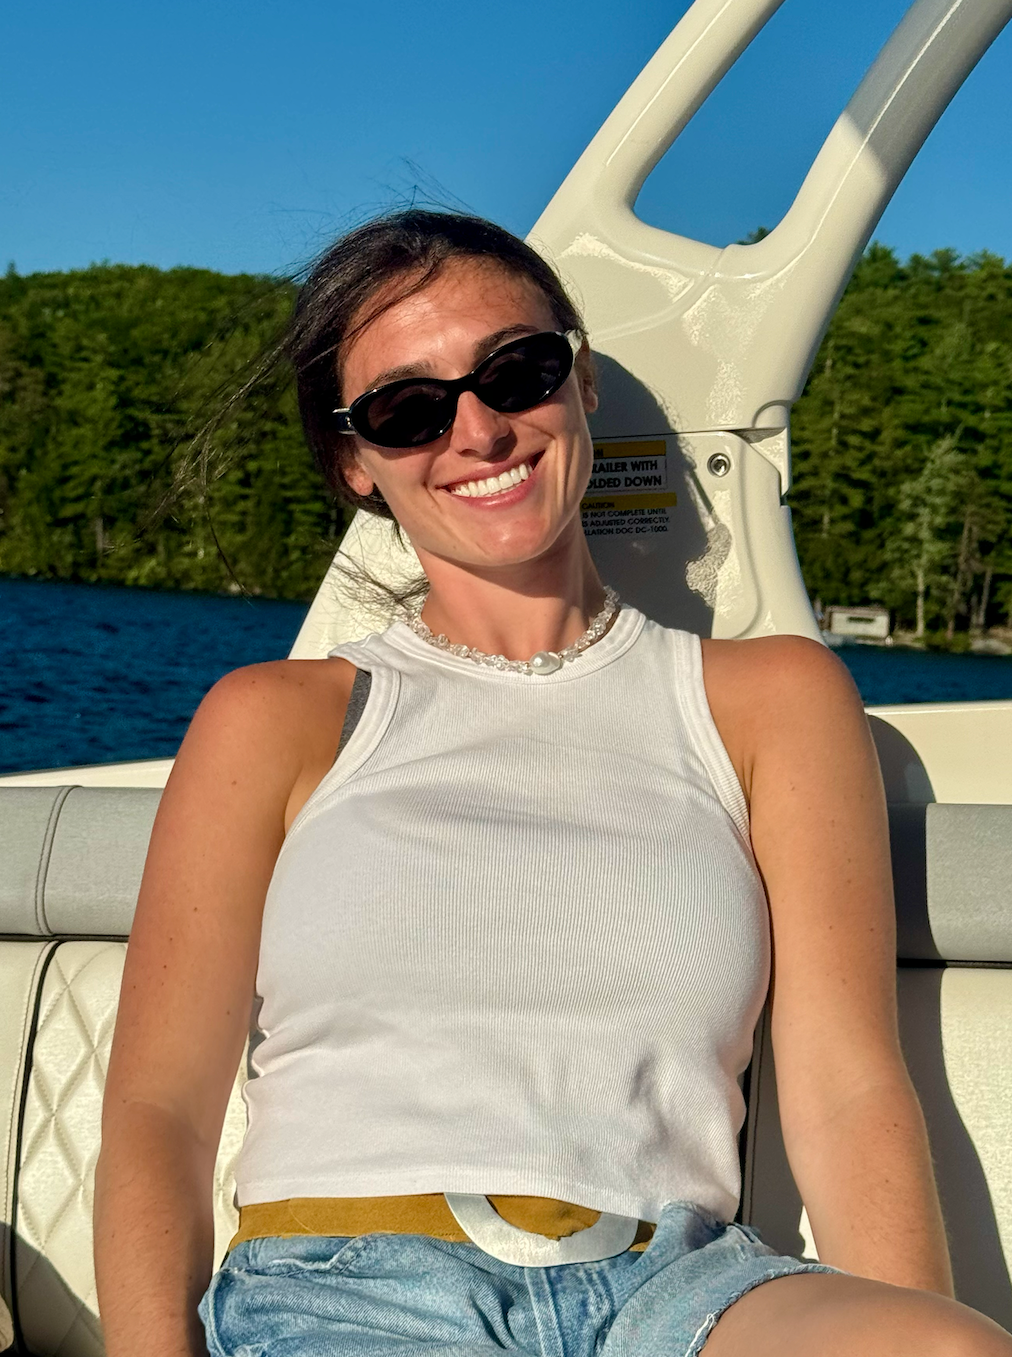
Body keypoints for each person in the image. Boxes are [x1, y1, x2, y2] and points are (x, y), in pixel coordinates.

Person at [93, 210, 1012, 1357]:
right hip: (353, 1291)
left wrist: (915, 1320)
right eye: (407, 410)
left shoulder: (772, 702)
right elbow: (158, 1115)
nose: (476, 429)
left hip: (674, 1288)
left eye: (513, 372)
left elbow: (844, 1086)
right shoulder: (276, 720)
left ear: (577, 382)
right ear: (357, 463)